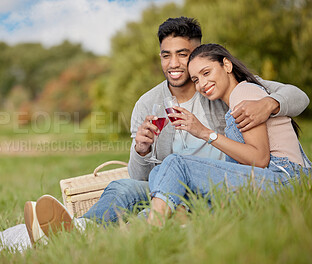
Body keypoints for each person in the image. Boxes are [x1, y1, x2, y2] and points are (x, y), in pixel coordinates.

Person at [24, 17, 310, 242]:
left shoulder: (222, 84)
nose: (173, 64)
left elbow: (299, 97)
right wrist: (141, 149)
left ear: (198, 53)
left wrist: (272, 103)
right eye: (165, 55)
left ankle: (145, 228)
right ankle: (80, 230)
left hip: (226, 180)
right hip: (174, 184)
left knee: (172, 171)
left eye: (183, 54)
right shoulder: (148, 103)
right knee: (123, 186)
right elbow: (139, 176)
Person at [147, 43, 311, 225]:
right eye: (195, 80)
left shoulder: (243, 92)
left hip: (284, 179)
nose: (202, 84)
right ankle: (185, 222)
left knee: (176, 162)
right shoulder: (235, 101)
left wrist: (204, 133)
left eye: (206, 73)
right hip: (265, 182)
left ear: (227, 65)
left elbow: (260, 158)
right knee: (159, 171)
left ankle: (153, 227)